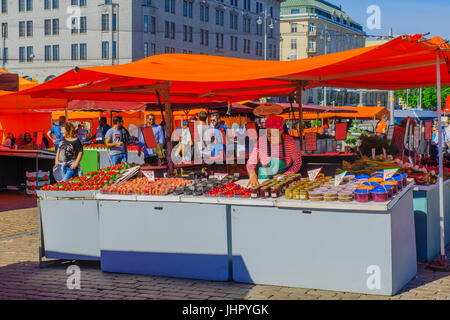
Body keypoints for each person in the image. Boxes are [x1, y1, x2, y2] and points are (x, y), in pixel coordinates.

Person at [246, 115, 302, 188]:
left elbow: (297, 162)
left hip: (282, 181)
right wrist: (252, 173)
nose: (270, 136)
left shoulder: (289, 142)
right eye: (268, 134)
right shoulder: (262, 141)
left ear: (281, 132)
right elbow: (251, 162)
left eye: (273, 134)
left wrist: (286, 175)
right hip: (263, 180)